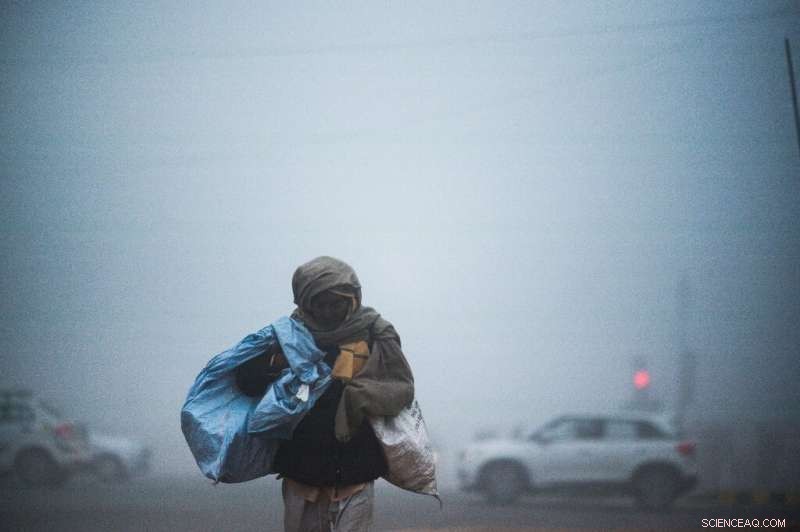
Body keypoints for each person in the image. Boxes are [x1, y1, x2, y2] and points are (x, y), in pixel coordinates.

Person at [235, 256, 415, 532]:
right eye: (321, 305)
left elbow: (399, 388)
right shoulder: (287, 337)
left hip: (356, 466)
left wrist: (361, 396)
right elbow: (246, 381)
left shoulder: (374, 335)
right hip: (301, 468)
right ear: (306, 304)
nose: (329, 312)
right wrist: (278, 363)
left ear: (352, 300)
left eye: (337, 304)